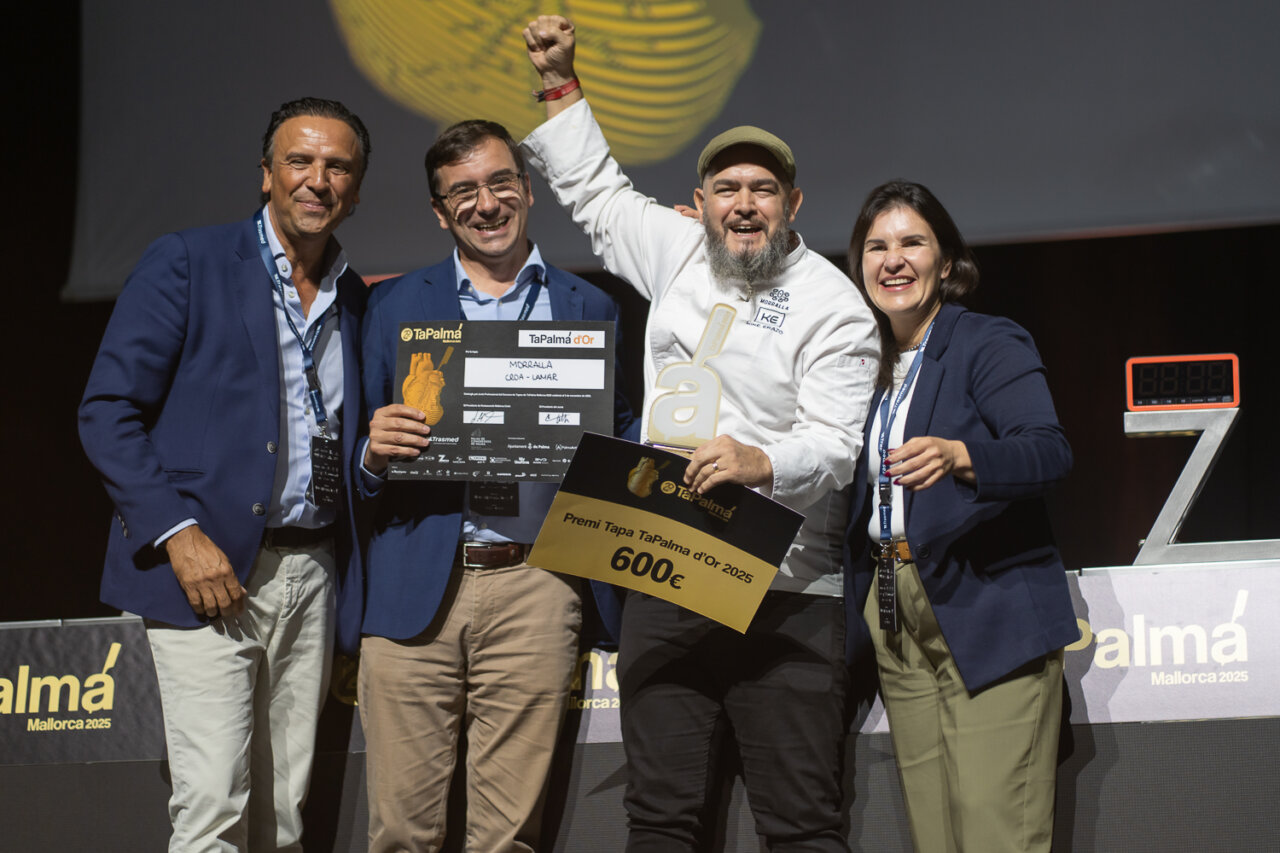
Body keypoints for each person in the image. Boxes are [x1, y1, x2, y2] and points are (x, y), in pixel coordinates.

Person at [521, 16, 880, 852]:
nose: (743, 204)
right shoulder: (678, 251)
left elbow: (836, 445)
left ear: (792, 204)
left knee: (799, 826)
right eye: (727, 188)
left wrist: (762, 459)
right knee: (661, 821)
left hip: (787, 595)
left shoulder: (836, 307)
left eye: (762, 189)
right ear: (703, 202)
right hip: (672, 579)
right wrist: (560, 83)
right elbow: (597, 192)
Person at [78, 97, 371, 851]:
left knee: (281, 814)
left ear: (357, 186)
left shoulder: (356, 296)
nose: (318, 180)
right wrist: (179, 535)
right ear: (266, 175)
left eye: (337, 166)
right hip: (204, 571)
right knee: (211, 806)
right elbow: (107, 410)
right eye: (299, 161)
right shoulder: (188, 259)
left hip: (311, 571)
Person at [356, 118, 636, 853]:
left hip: (538, 583)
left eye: (500, 182)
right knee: (398, 833)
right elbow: (349, 444)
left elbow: (624, 430)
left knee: (509, 837)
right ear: (440, 210)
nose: (486, 203)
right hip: (416, 580)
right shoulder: (392, 305)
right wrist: (371, 453)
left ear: (528, 189)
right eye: (464, 192)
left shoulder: (590, 305)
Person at [843, 180, 1078, 853]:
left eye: (912, 242)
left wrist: (960, 454)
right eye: (877, 246)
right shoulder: (864, 366)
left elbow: (1048, 450)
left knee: (993, 831)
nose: (893, 259)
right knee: (936, 836)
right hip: (896, 617)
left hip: (987, 603)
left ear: (946, 262)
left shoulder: (986, 341)